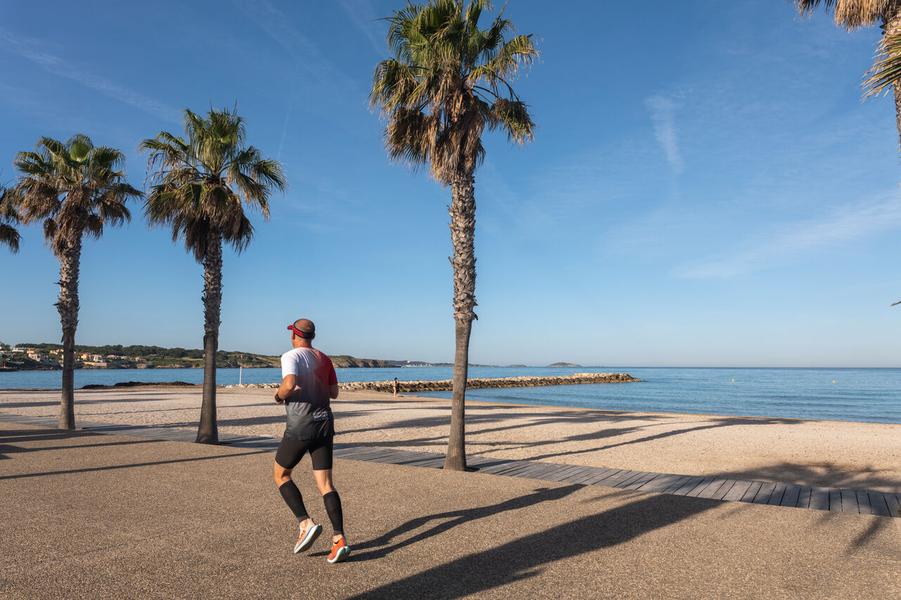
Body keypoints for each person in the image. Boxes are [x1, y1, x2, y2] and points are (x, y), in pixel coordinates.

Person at [272, 318, 349, 563]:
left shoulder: (290, 356)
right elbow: (334, 393)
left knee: (281, 475)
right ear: (312, 336)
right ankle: (339, 539)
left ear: (294, 335)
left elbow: (289, 384)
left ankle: (305, 523)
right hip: (324, 423)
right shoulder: (324, 358)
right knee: (326, 484)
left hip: (301, 425)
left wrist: (279, 396)